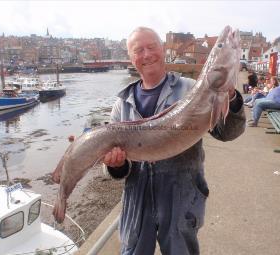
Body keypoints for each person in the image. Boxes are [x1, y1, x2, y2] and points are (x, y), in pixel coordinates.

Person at [102, 27, 246, 255]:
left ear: (162, 49)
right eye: (138, 50)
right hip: (137, 202)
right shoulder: (122, 104)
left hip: (182, 197)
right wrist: (115, 164)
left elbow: (226, 133)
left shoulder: (191, 89)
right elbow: (116, 169)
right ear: (132, 58)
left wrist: (232, 98)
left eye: (151, 47)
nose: (147, 54)